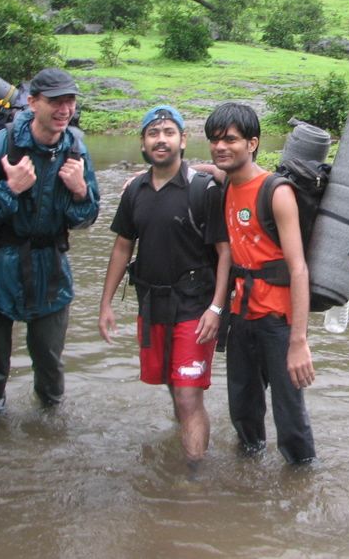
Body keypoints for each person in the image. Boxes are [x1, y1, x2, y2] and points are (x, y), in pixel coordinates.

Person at [98, 105, 230, 465]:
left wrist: (217, 308)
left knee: (188, 395)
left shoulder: (204, 190)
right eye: (153, 133)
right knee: (173, 386)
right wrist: (105, 303)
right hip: (152, 303)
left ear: (183, 140)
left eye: (169, 132)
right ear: (142, 142)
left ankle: (193, 478)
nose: (161, 139)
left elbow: (224, 253)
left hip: (195, 305)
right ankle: (188, 442)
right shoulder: (134, 191)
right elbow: (123, 246)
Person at [0, 68, 100, 413]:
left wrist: (81, 192)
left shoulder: (76, 149)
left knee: (50, 362)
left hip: (51, 266)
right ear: (32, 101)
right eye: (55, 101)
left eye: (69, 100)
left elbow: (87, 219)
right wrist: (9, 190)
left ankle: (51, 425)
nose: (64, 109)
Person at [203, 102, 316, 465]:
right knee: (243, 408)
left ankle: (301, 479)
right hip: (241, 315)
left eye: (230, 140)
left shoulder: (276, 191)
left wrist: (299, 341)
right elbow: (214, 171)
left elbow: (298, 269)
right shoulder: (226, 185)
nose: (221, 147)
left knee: (289, 415)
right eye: (214, 140)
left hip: (277, 322)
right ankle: (248, 482)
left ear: (252, 143)